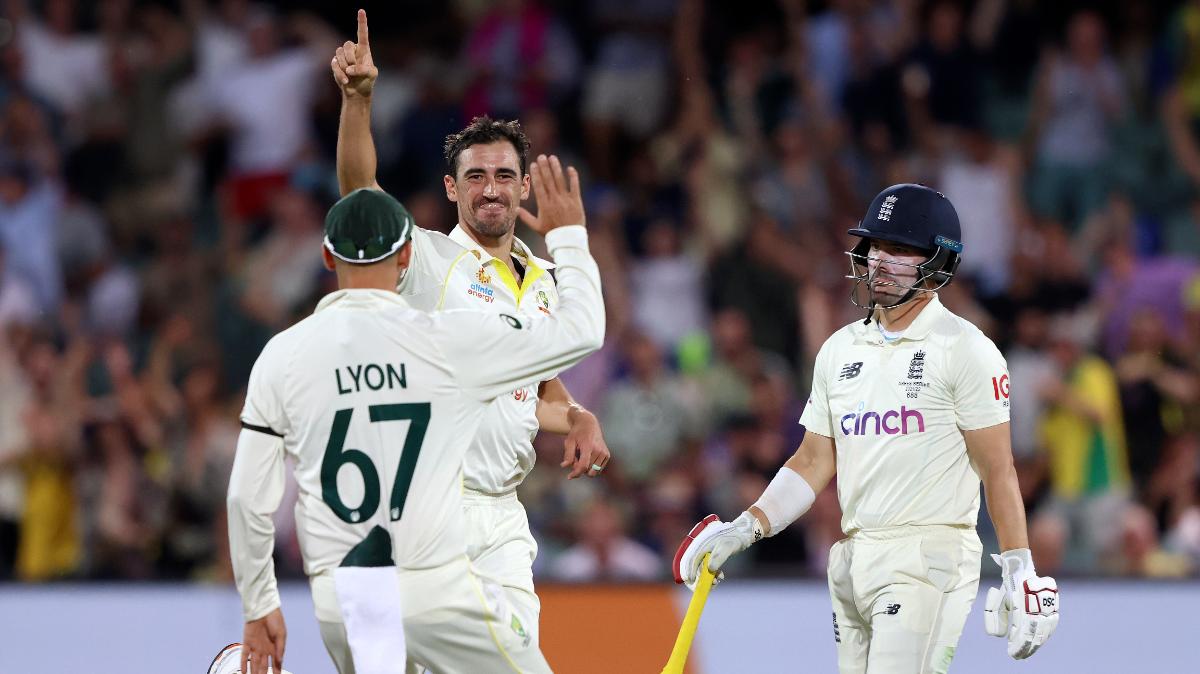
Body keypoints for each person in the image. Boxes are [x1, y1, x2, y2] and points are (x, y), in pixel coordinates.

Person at [673, 184, 1060, 673]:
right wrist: (745, 528)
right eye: (875, 246)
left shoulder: (966, 349)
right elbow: (813, 460)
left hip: (928, 555)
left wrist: (1018, 568)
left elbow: (998, 469)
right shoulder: (839, 349)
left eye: (899, 250)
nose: (879, 260)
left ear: (939, 261)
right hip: (854, 555)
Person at [226, 185, 604, 674]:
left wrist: (259, 606)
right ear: (406, 254)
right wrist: (569, 237)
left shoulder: (281, 354)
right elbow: (583, 332)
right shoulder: (449, 340)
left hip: (343, 596)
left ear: (325, 256)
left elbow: (245, 498)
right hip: (433, 585)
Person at [330, 9, 610, 648]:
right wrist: (358, 101)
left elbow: (536, 387)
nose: (493, 189)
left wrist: (579, 417)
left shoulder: (542, 279)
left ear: (521, 190)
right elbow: (358, 189)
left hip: (504, 515)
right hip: (429, 506)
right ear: (451, 189)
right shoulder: (425, 259)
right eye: (477, 176)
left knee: (515, 657)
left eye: (505, 176)